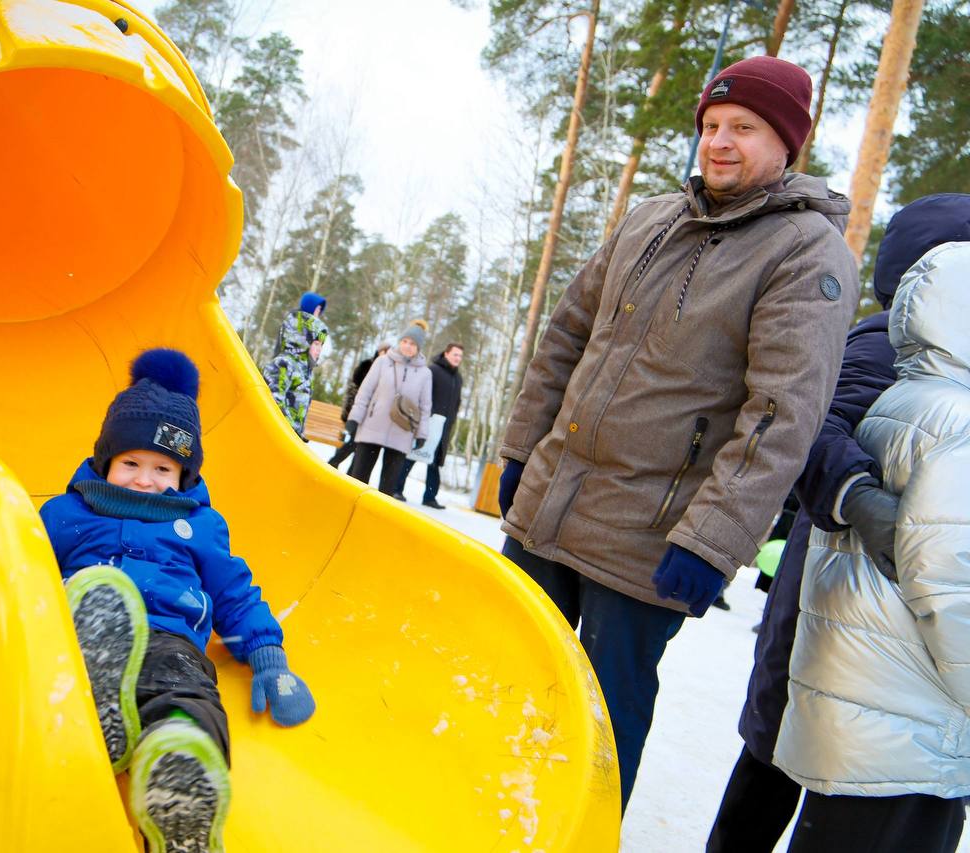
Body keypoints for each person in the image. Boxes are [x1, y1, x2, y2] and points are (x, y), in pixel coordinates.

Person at [495, 55, 859, 810]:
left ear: (788, 141)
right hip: (552, 499)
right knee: (507, 677)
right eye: (712, 126)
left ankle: (578, 831)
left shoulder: (804, 252)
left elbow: (782, 410)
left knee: (600, 718)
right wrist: (521, 450)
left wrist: (712, 540)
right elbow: (566, 336)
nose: (720, 142)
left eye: (744, 128)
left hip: (651, 538)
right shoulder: (650, 218)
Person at [708, 193, 970, 853]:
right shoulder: (888, 346)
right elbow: (811, 430)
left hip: (864, 610)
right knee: (776, 771)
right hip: (833, 596)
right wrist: (859, 494)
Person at [40, 349, 315, 853]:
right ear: (106, 460)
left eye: (163, 467)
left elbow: (234, 592)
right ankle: (100, 698)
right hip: (73, 630)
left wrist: (267, 656)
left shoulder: (199, 527)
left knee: (188, 693)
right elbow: (23, 566)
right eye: (130, 463)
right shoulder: (66, 514)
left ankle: (180, 770)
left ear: (184, 475)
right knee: (80, 618)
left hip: (170, 639)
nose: (145, 479)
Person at [346, 320, 432, 497]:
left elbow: (425, 407)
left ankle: (376, 520)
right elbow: (365, 391)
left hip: (401, 433)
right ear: (400, 341)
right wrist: (355, 417)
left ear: (419, 347)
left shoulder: (425, 373)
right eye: (405, 341)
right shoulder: (382, 362)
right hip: (372, 426)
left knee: (387, 489)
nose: (407, 346)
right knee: (358, 480)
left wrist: (422, 434)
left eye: (413, 344)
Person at [395, 343, 464, 508]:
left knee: (435, 462)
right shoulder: (433, 371)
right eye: (455, 354)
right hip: (428, 422)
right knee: (412, 456)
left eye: (460, 356)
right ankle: (396, 488)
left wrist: (451, 422)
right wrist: (423, 417)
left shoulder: (458, 378)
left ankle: (429, 497)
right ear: (446, 354)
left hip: (444, 427)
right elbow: (422, 394)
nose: (458, 358)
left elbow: (457, 403)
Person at [262, 292, 328, 439]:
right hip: (274, 437)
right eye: (316, 344)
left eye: (321, 345)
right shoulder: (283, 364)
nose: (319, 350)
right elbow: (273, 402)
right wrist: (290, 431)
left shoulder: (306, 370)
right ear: (304, 341)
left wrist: (298, 432)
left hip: (288, 439)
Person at [328, 343, 390, 471]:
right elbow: (355, 389)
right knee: (354, 443)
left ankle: (351, 473)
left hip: (371, 416)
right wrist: (352, 412)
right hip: (357, 411)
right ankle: (334, 462)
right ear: (379, 352)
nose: (386, 355)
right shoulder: (366, 366)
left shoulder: (387, 370)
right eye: (384, 351)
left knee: (360, 448)